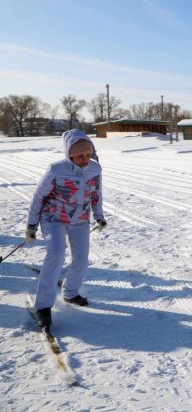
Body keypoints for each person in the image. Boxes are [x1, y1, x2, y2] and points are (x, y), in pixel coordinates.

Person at [26, 129, 106, 329]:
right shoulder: (55, 170)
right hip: (53, 218)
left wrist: (99, 216)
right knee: (56, 253)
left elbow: (96, 195)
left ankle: (70, 292)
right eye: (80, 155)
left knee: (81, 259)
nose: (85, 159)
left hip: (79, 220)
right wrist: (31, 224)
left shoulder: (95, 169)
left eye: (88, 154)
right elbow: (39, 197)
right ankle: (43, 306)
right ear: (69, 153)